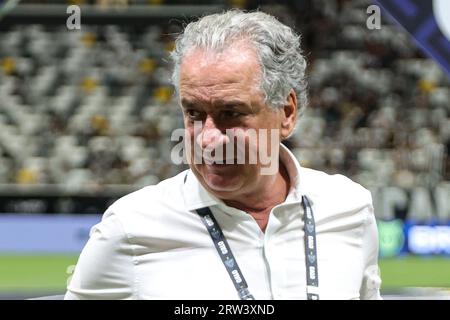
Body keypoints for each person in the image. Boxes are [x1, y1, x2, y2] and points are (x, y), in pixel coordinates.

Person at [65, 9, 382, 300]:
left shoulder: (350, 209)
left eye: (231, 113)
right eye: (193, 113)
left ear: (286, 112)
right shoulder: (130, 229)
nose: (209, 138)